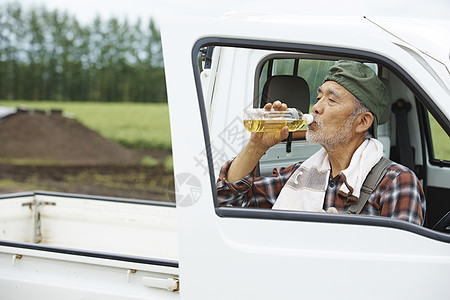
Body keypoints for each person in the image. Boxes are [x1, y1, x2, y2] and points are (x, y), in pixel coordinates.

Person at [216, 60, 426, 226]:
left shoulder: (397, 184)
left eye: (331, 100)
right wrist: (257, 146)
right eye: (318, 97)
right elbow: (226, 202)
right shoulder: (299, 176)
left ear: (362, 122)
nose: (316, 107)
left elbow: (397, 268)